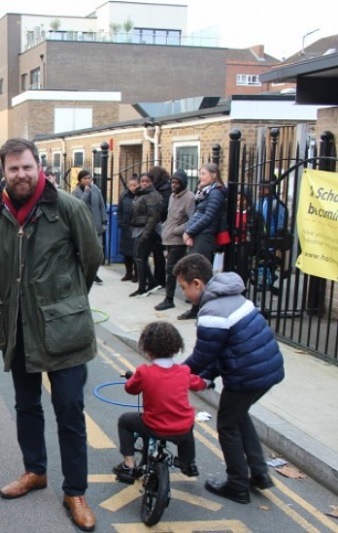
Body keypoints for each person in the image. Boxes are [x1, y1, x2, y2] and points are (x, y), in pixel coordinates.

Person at [0, 138, 102, 532]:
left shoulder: (68, 208)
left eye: (27, 167)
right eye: (13, 168)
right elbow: (1, 265)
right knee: (26, 406)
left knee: (69, 411)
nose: (21, 174)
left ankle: (76, 491)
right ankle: (35, 471)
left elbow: (91, 259)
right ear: (4, 171)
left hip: (63, 330)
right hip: (18, 326)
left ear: (40, 168)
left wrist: (64, 301)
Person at [175, 253, 285, 504]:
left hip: (247, 375)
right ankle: (259, 474)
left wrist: (177, 374)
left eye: (184, 288)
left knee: (227, 424)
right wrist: (206, 377)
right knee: (238, 415)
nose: (183, 295)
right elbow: (220, 351)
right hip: (267, 369)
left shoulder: (211, 311)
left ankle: (237, 485)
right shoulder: (231, 295)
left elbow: (203, 357)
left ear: (198, 284)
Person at [112, 321, 206, 484]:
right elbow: (198, 384)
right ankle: (188, 462)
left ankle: (128, 465)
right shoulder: (184, 371)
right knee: (188, 423)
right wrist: (207, 382)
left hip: (153, 426)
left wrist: (132, 379)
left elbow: (131, 389)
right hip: (180, 428)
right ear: (177, 348)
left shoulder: (144, 372)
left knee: (125, 421)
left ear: (147, 350)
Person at [179, 163, 227, 320]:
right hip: (197, 234)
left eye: (204, 173)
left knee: (199, 273)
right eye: (200, 173)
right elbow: (195, 213)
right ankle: (195, 307)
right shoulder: (203, 192)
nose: (200, 176)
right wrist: (188, 232)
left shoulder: (216, 193)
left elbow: (208, 216)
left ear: (214, 175)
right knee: (193, 271)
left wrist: (190, 231)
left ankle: (201, 308)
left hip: (205, 235)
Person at [155, 169, 195, 311]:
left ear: (183, 183)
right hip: (168, 238)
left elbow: (192, 219)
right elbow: (170, 215)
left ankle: (169, 298)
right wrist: (165, 227)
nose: (174, 185)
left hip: (178, 240)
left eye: (177, 183)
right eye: (173, 182)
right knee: (181, 269)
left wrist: (176, 230)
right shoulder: (172, 196)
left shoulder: (190, 197)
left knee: (171, 269)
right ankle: (190, 294)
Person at [129, 173, 162, 298]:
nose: (144, 183)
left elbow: (153, 217)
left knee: (140, 258)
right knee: (139, 257)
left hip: (148, 230)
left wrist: (146, 234)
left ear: (152, 182)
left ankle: (142, 287)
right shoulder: (140, 194)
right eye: (142, 181)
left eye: (147, 181)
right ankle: (151, 283)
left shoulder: (153, 195)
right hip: (139, 228)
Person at [72, 169, 106, 284]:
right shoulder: (75, 192)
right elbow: (77, 207)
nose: (88, 181)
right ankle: (85, 273)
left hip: (96, 225)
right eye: (85, 178)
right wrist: (86, 193)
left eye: (89, 178)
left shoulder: (96, 189)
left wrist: (104, 221)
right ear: (80, 180)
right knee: (87, 251)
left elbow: (101, 206)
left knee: (98, 250)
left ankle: (94, 273)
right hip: (84, 225)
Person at [148, 166, 171, 289]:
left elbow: (163, 208)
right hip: (157, 224)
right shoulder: (160, 188)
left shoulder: (165, 189)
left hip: (161, 225)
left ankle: (160, 279)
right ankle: (158, 278)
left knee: (159, 253)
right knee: (157, 253)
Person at [118, 175, 139, 282]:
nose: (132, 187)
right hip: (126, 228)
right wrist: (120, 222)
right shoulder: (124, 196)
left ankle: (137, 274)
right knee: (127, 254)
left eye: (134, 185)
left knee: (136, 253)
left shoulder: (140, 196)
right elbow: (119, 210)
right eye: (130, 185)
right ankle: (128, 273)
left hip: (136, 228)